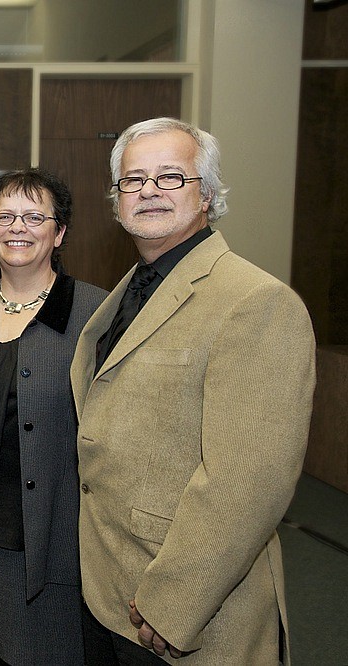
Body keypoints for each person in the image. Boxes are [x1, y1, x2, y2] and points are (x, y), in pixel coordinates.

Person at [71, 117, 316, 664]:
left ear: (206, 194)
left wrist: (174, 604)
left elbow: (249, 481)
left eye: (171, 177)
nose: (149, 190)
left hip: (189, 612)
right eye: (134, 179)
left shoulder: (255, 301)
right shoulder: (129, 291)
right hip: (111, 589)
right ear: (117, 200)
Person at [0, 169, 106, 664]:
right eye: (5, 216)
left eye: (34, 217)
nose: (18, 228)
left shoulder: (93, 312)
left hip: (50, 535)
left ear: (59, 232)